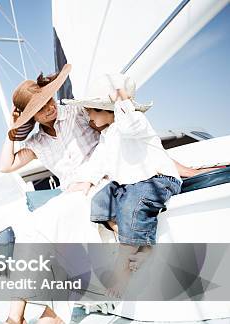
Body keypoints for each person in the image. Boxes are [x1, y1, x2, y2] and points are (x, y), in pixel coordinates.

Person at [0, 67, 206, 324]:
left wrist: (183, 169)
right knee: (31, 227)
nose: (50, 107)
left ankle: (53, 312)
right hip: (74, 191)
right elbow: (6, 166)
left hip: (103, 182)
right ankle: (14, 317)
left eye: (48, 100)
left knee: (65, 219)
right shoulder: (37, 143)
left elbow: (122, 130)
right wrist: (13, 129)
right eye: (40, 108)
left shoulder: (78, 113)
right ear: (32, 117)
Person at [66, 74, 188, 296]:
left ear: (108, 110)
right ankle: (141, 246)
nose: (88, 116)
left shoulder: (135, 122)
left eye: (91, 110)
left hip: (157, 179)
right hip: (131, 185)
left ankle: (124, 269)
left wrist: (122, 100)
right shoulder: (107, 135)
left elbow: (131, 124)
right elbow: (98, 162)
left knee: (131, 205)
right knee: (100, 200)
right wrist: (85, 181)